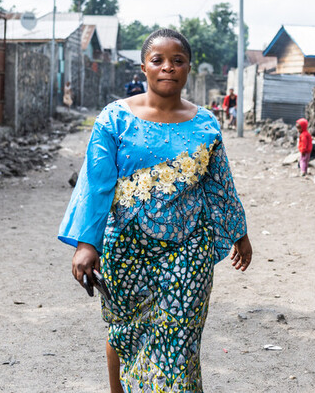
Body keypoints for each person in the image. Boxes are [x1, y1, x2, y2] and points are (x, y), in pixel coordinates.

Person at [58, 28, 252, 392]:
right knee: (125, 331)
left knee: (179, 341)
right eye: (158, 60)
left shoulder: (206, 124)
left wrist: (238, 232)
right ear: (144, 67)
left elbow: (219, 184)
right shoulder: (114, 119)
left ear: (188, 68)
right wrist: (87, 244)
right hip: (126, 250)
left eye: (177, 61)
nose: (168, 68)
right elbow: (98, 185)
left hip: (188, 251)